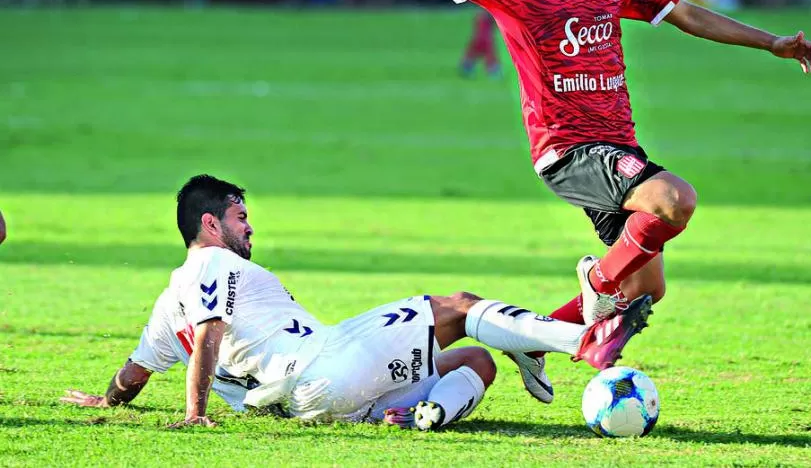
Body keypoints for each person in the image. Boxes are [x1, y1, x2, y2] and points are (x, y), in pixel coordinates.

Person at [396, 0, 811, 400]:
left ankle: (533, 340)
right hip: (567, 148)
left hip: (618, 145)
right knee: (675, 201)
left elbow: (686, 14)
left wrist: (771, 43)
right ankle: (595, 284)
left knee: (646, 287)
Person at [64, 175, 650, 430]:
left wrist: (110, 399)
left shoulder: (169, 305)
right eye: (243, 218)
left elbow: (135, 373)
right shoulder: (212, 264)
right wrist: (195, 412)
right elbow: (212, 330)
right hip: (323, 366)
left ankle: (427, 416)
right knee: (455, 305)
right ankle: (582, 336)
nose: (251, 232)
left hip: (316, 402)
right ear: (211, 224)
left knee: (476, 362)